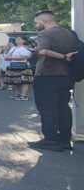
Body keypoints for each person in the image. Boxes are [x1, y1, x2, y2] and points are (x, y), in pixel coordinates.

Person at [29, 11, 78, 151]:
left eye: (37, 22)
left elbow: (44, 51)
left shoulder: (45, 34)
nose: (36, 25)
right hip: (65, 75)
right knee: (63, 107)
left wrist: (63, 57)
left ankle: (50, 139)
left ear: (44, 20)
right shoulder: (69, 34)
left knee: (47, 107)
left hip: (47, 74)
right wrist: (66, 57)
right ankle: (65, 139)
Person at [5, 35, 33, 101]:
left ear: (24, 41)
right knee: (14, 80)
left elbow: (24, 57)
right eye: (17, 38)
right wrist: (13, 57)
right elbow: (6, 57)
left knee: (25, 81)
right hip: (13, 66)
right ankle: (17, 94)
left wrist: (11, 57)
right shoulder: (13, 48)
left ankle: (24, 95)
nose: (17, 40)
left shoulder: (25, 48)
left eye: (20, 39)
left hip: (24, 66)